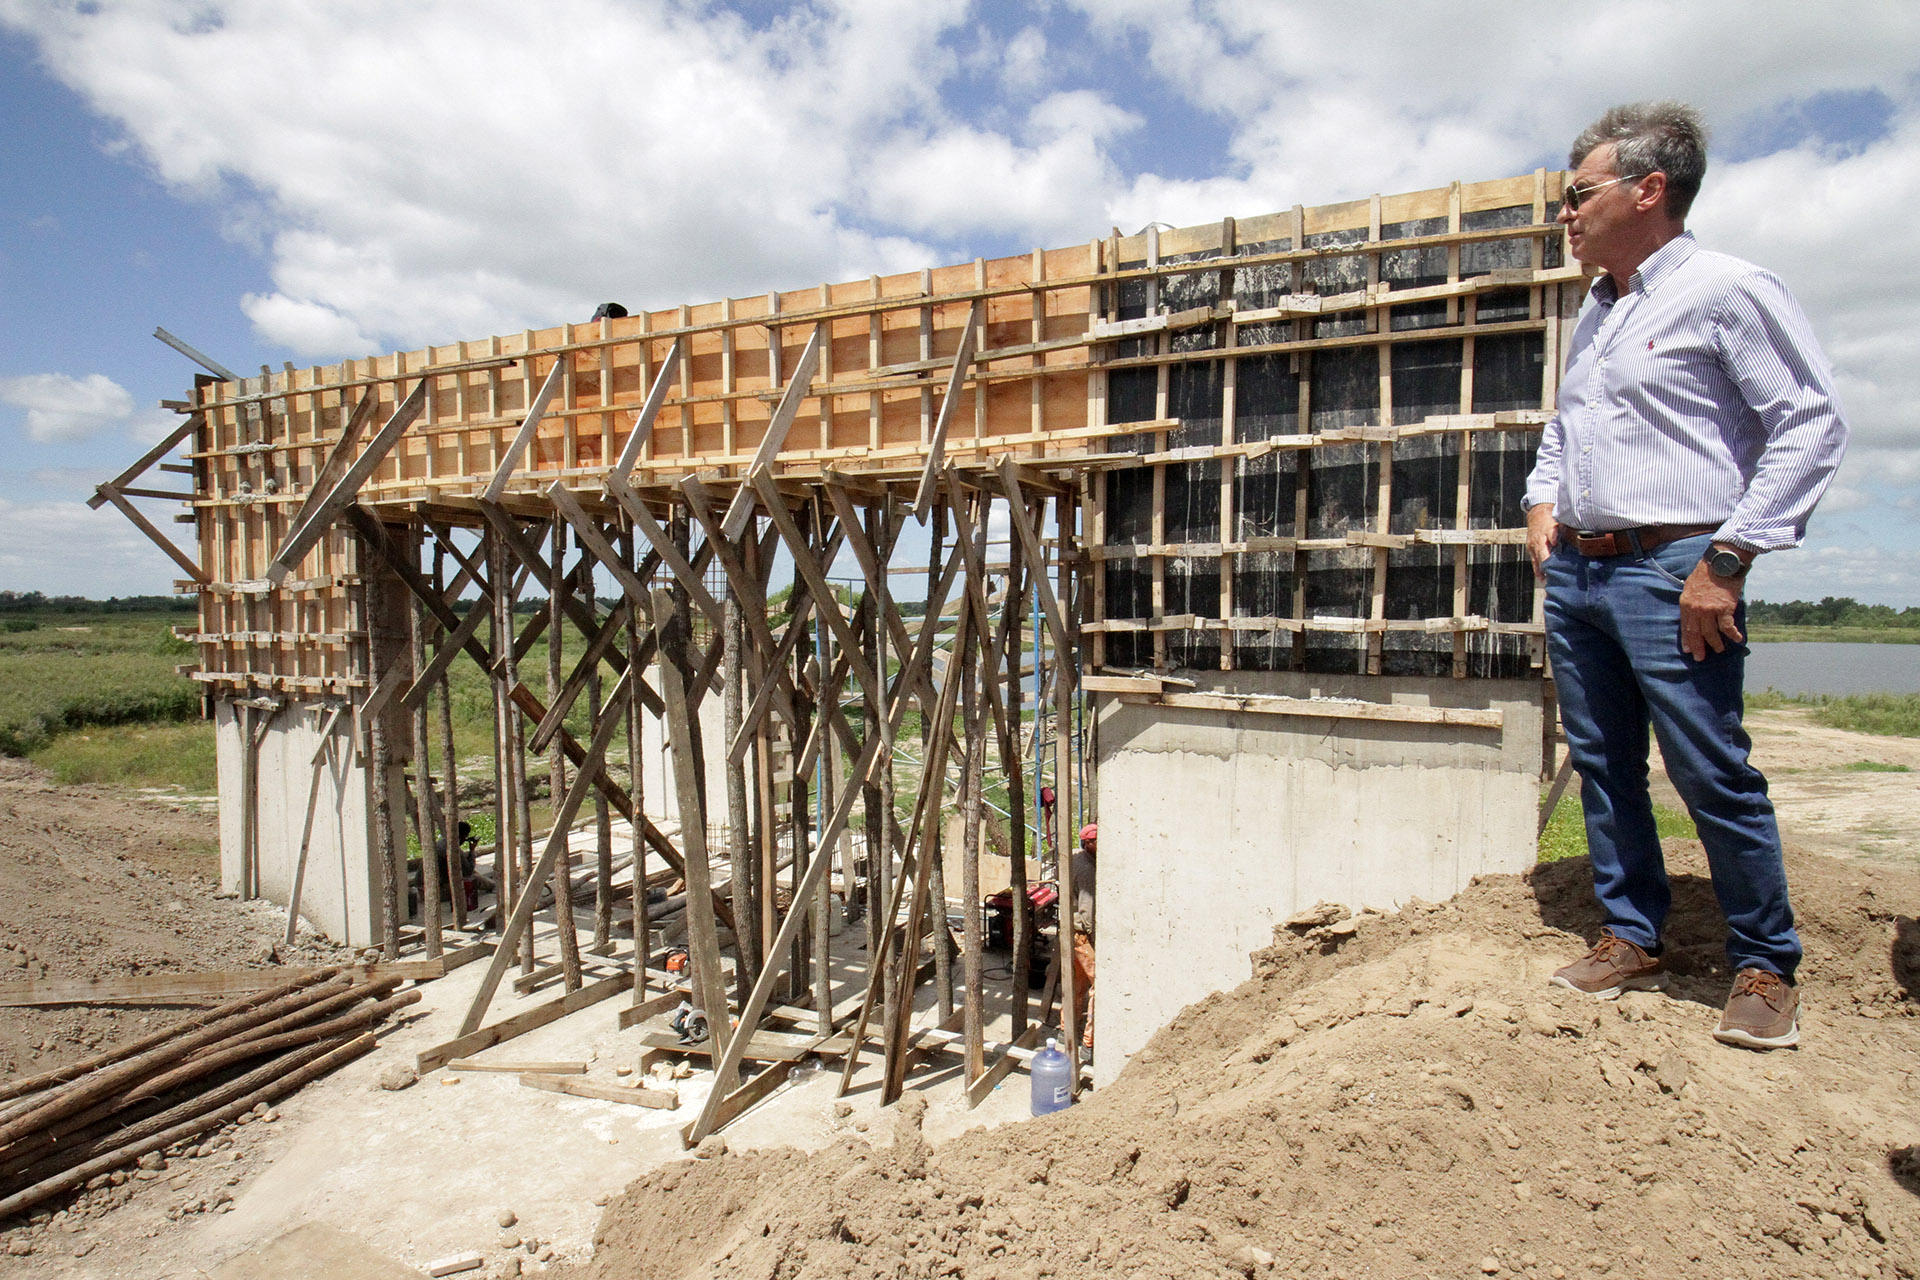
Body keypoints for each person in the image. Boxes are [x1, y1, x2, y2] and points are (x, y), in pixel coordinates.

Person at [1524, 101, 1848, 1050]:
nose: (1565, 213)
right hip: (1582, 573)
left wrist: (1730, 555)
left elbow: (1811, 422)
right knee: (1605, 764)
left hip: (1676, 566)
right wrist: (1543, 504)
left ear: (1648, 190)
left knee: (1709, 768)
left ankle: (1764, 963)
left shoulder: (1726, 289)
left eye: (1578, 194)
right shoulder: (1600, 312)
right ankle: (1631, 934)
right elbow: (1564, 431)